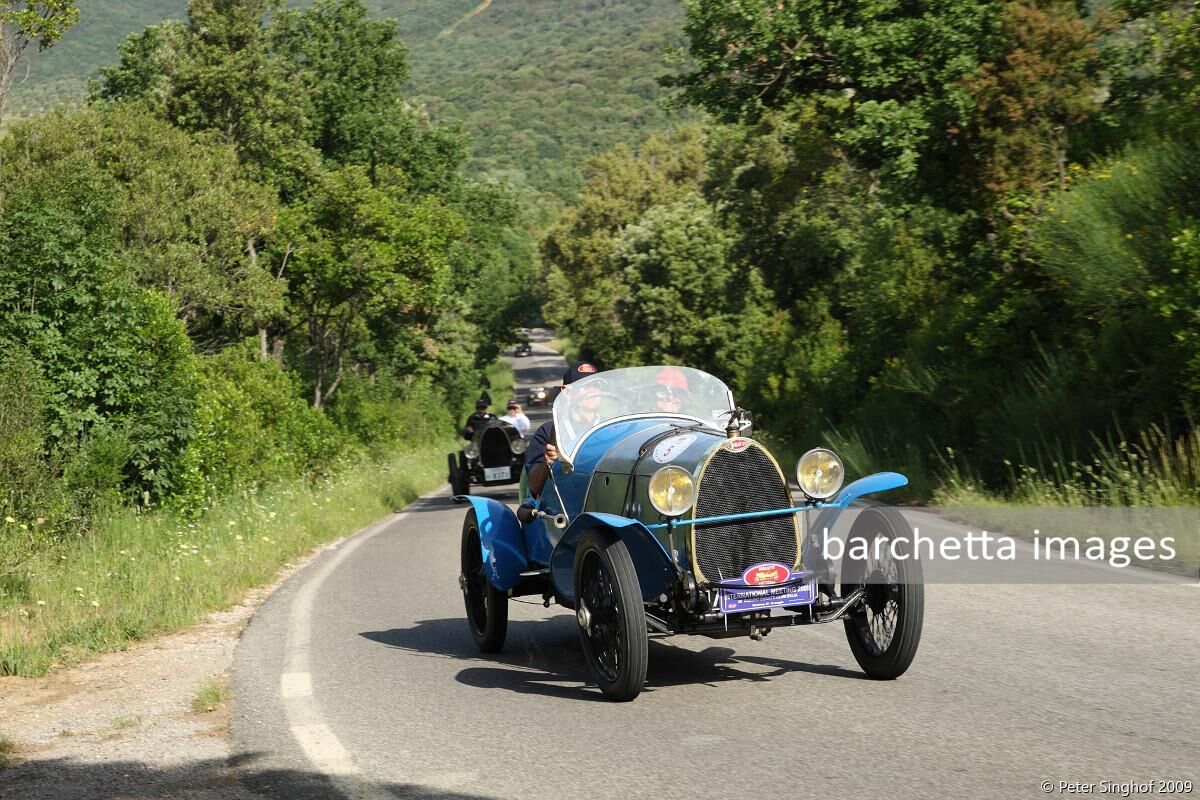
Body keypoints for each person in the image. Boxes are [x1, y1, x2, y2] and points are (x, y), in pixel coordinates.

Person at [525, 360, 599, 498]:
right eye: (585, 386)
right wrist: (548, 462)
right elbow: (534, 487)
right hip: (563, 508)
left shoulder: (612, 427)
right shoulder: (548, 431)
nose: (592, 391)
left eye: (596, 385)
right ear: (566, 392)